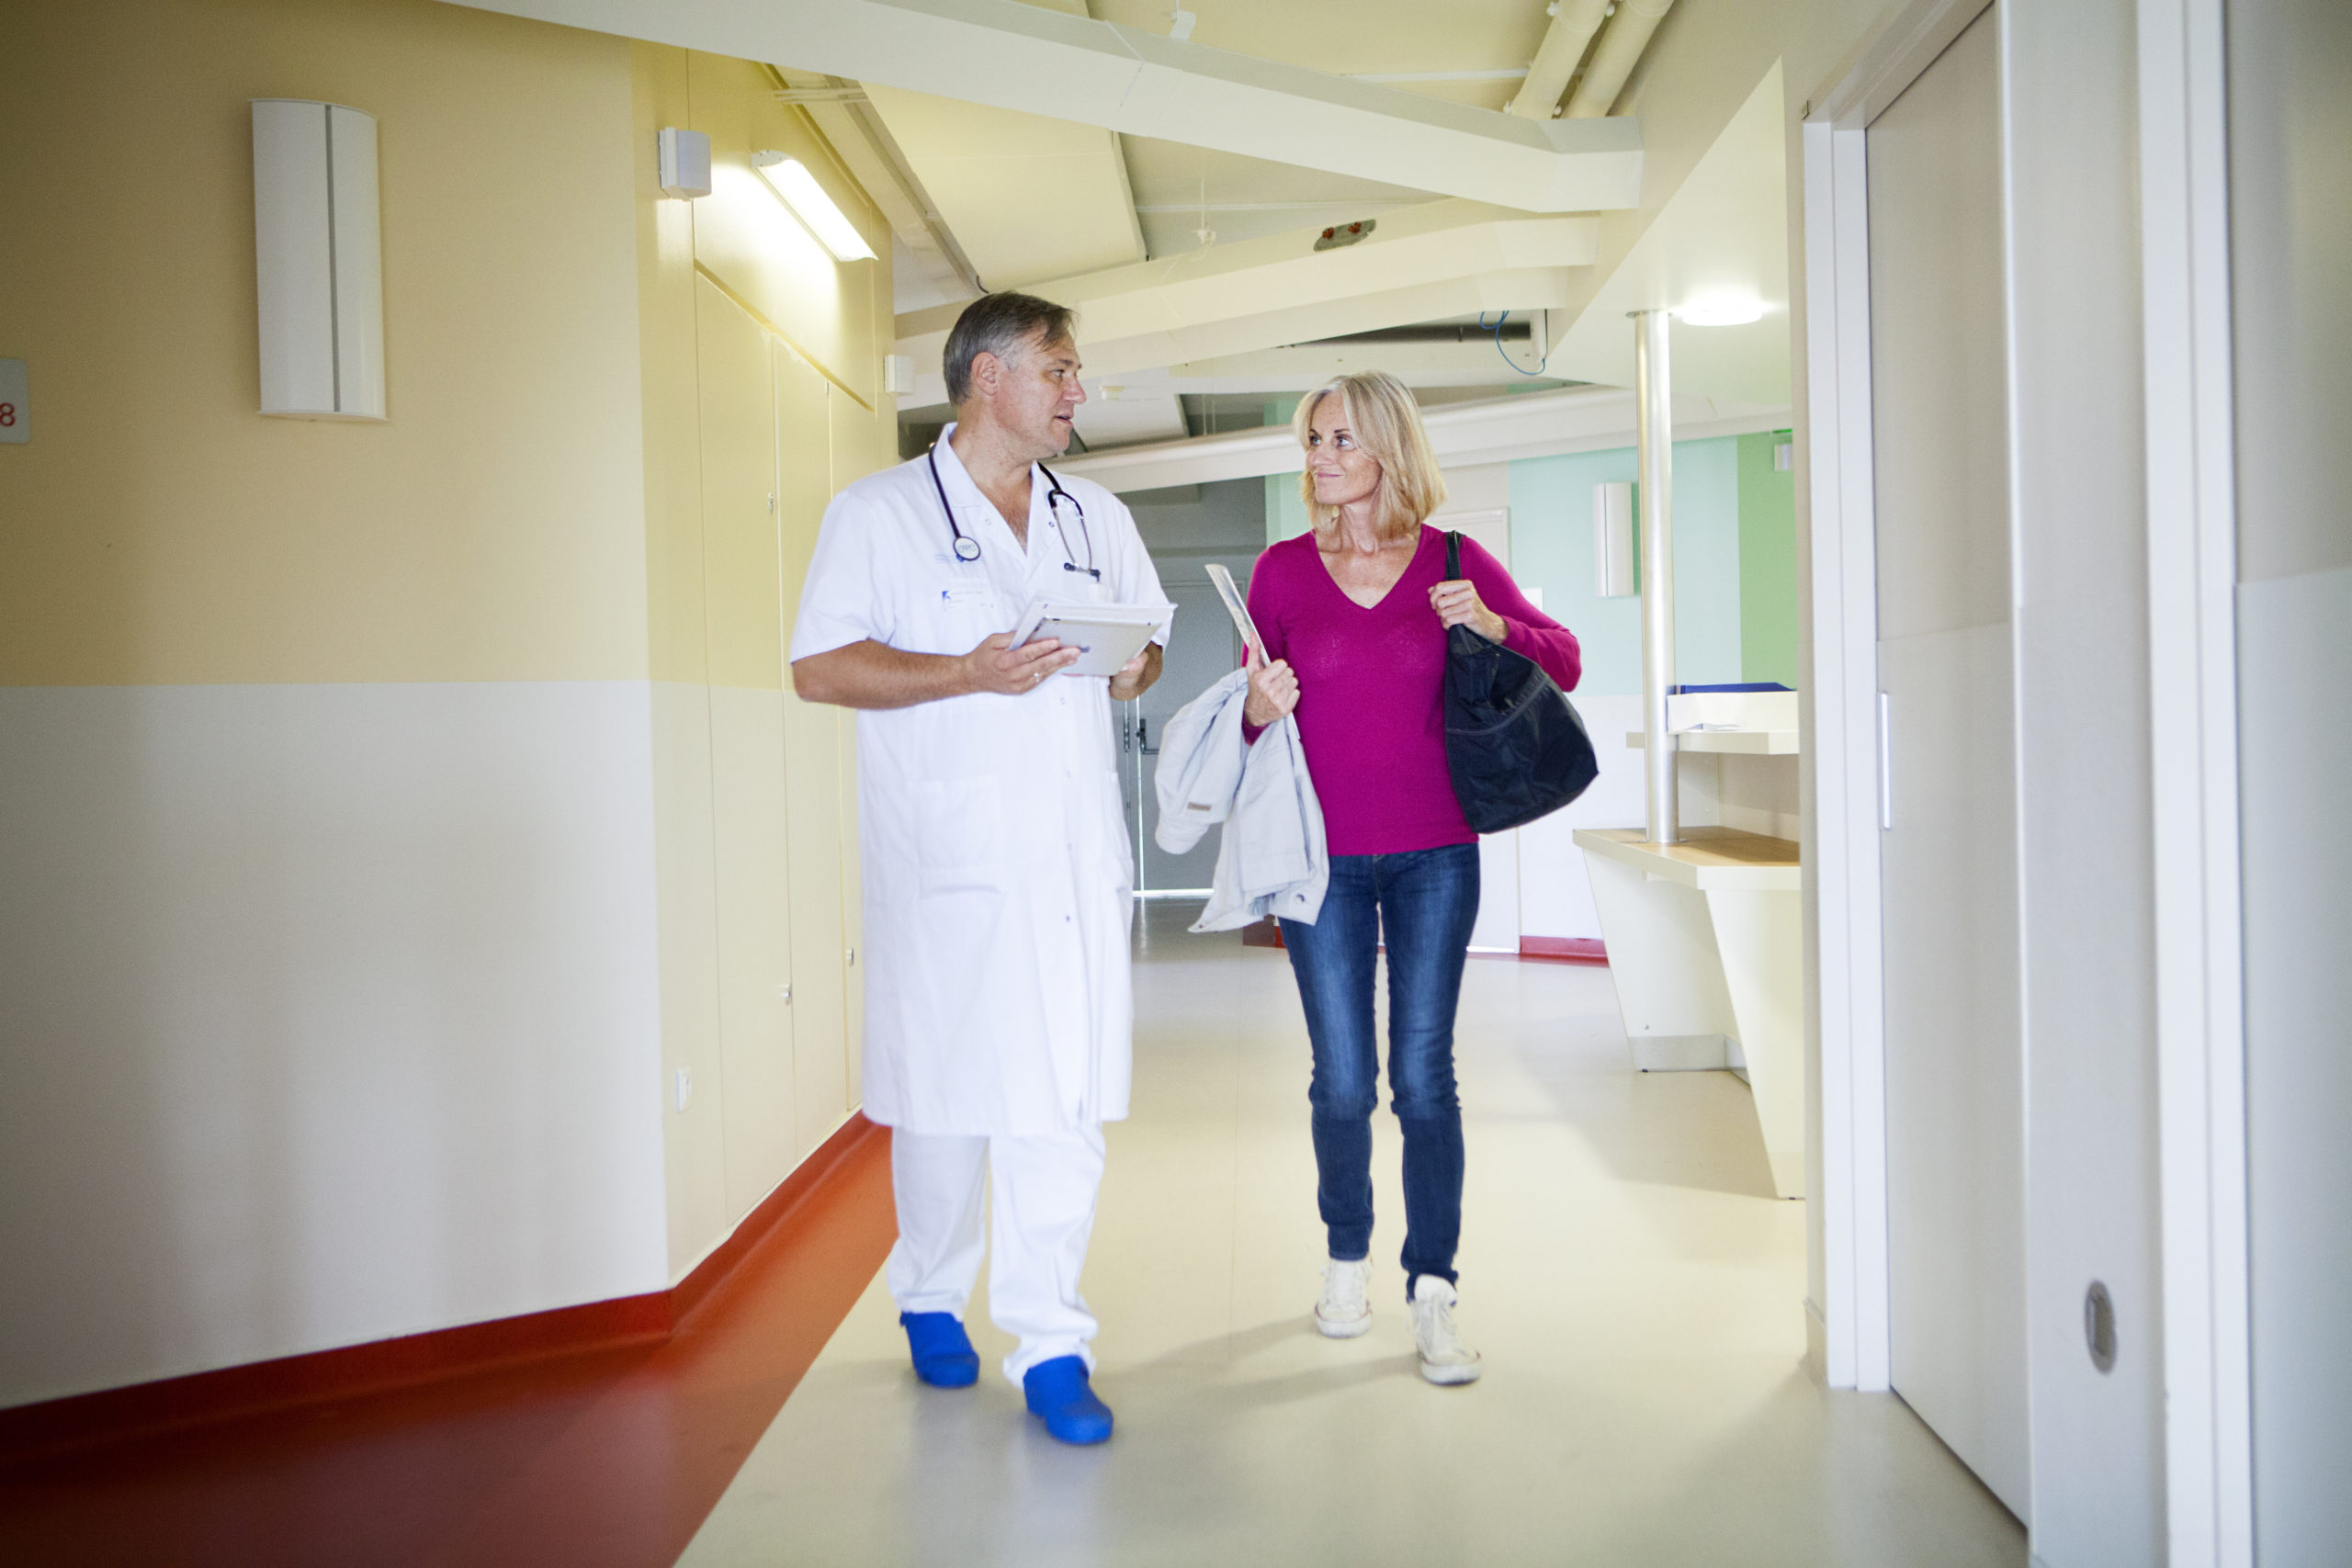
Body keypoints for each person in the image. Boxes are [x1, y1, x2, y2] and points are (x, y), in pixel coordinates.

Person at [789, 292, 1166, 1445]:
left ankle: (1052, 1340)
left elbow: (1145, 647)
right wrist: (965, 674)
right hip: (948, 860)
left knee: (1060, 1107)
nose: (1076, 390)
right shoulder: (879, 513)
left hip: (1069, 862)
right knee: (946, 1104)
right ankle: (928, 1296)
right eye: (1058, 367)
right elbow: (820, 668)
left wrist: (1125, 670)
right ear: (988, 376)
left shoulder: (1093, 512)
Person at [1241, 371, 1581, 1385]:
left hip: (1437, 852)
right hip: (1320, 862)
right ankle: (1345, 1259)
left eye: (1338, 438)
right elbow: (1250, 727)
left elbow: (1558, 657)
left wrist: (1487, 623)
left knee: (1423, 1082)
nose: (1318, 457)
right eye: (1310, 441)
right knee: (1342, 1082)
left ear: (1388, 445)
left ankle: (1432, 1289)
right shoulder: (1280, 573)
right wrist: (1260, 705)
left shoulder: (1453, 560)